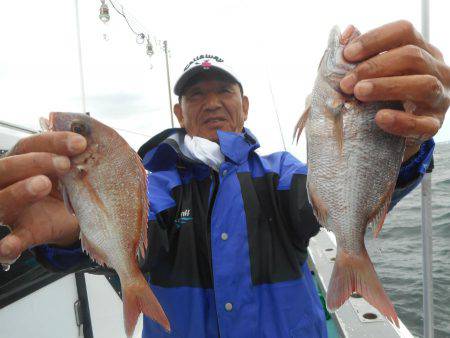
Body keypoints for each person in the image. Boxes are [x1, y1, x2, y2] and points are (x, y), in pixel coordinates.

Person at [0, 21, 448, 338]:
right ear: (179, 112)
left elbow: (334, 189)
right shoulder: (153, 186)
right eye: (196, 94)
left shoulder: (281, 174)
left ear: (245, 105)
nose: (211, 102)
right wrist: (68, 232)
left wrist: (401, 144)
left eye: (223, 91)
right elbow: (126, 236)